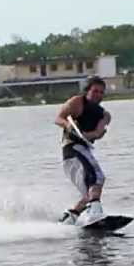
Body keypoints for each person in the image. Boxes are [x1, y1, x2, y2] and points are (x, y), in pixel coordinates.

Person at [54, 76, 111, 225]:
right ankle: (95, 212)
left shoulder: (104, 115)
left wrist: (89, 135)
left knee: (91, 189)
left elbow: (97, 133)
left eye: (101, 92)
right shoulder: (77, 102)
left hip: (84, 149)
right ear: (87, 91)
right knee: (97, 177)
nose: (98, 95)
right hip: (72, 149)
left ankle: (70, 217)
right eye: (95, 91)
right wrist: (68, 126)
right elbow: (58, 118)